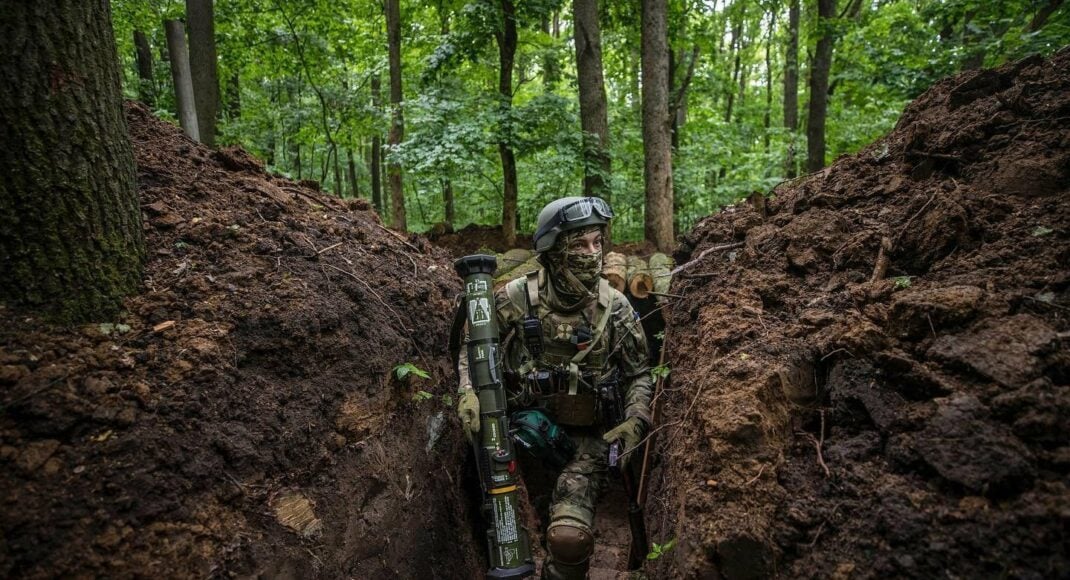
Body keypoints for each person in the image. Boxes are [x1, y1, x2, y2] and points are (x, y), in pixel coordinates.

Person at [455, 196, 653, 579]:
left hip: (585, 445)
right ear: (553, 250)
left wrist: (636, 420)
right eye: (579, 245)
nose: (591, 253)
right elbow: (475, 348)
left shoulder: (616, 309)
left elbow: (639, 374)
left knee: (568, 540)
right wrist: (467, 391)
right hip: (516, 436)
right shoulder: (516, 299)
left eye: (597, 243)